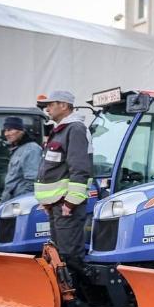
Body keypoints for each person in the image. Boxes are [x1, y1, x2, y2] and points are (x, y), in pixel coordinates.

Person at [34, 91, 93, 275]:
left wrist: (71, 202)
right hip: (57, 204)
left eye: (51, 104)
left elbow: (79, 168)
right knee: (59, 254)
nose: (47, 109)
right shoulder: (60, 130)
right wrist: (47, 201)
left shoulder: (75, 129)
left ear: (64, 105)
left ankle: (78, 289)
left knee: (69, 255)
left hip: (66, 205)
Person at [1, 116, 42, 201]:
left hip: (18, 202)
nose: (6, 134)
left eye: (10, 130)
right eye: (5, 130)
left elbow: (32, 182)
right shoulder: (18, 149)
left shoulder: (31, 149)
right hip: (11, 201)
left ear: (21, 131)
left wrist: (21, 202)